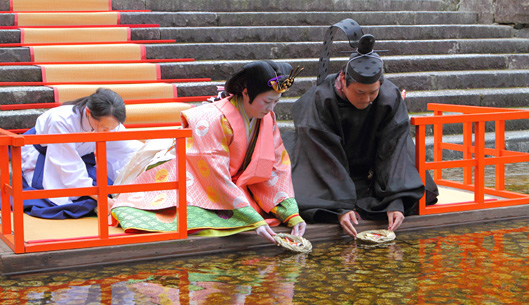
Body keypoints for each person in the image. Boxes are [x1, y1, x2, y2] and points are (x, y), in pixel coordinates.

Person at [111, 60, 306, 244]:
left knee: (257, 215)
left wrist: (291, 213)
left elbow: (276, 166)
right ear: (246, 93)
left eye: (276, 102)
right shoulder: (212, 118)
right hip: (196, 177)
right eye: (267, 101)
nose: (271, 108)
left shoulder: (267, 118)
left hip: (232, 185)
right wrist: (253, 218)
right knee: (182, 215)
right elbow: (211, 170)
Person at [290, 32, 438, 238]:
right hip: (328, 167)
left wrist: (394, 200)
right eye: (360, 93)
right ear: (343, 80)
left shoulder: (388, 96)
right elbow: (321, 155)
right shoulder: (320, 99)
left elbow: (393, 147)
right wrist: (340, 206)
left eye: (373, 92)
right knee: (306, 199)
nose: (367, 99)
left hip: (370, 169)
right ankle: (338, 201)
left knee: (408, 183)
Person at [20, 88, 143, 219]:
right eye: (105, 128)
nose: (109, 132)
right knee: (68, 201)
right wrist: (100, 197)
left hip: (77, 158)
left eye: (112, 128)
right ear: (89, 112)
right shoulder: (61, 120)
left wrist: (155, 158)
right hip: (48, 158)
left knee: (108, 189)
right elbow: (68, 165)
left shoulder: (108, 122)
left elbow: (129, 148)